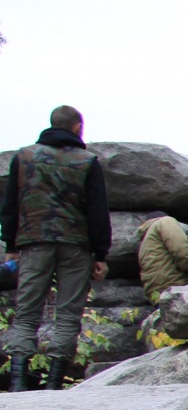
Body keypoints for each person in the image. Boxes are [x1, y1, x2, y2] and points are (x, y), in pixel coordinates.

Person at [1, 105, 110, 391]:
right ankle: (53, 383)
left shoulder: (24, 157)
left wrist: (11, 246)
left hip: (34, 243)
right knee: (68, 314)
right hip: (76, 246)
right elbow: (98, 211)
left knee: (26, 313)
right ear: (77, 128)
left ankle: (18, 382)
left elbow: (11, 204)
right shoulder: (88, 161)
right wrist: (100, 254)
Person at [137, 214, 188, 303]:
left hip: (156, 295)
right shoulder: (165, 221)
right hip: (176, 288)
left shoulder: (145, 244)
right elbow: (181, 250)